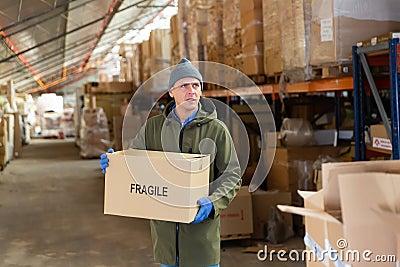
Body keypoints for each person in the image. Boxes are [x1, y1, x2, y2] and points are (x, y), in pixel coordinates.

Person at [100, 58, 242, 267]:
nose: (191, 91)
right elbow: (134, 164)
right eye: (184, 85)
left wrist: (214, 202)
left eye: (196, 85)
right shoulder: (153, 128)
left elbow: (232, 175)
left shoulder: (216, 130)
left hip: (201, 242)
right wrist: (114, 166)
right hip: (165, 241)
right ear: (171, 92)